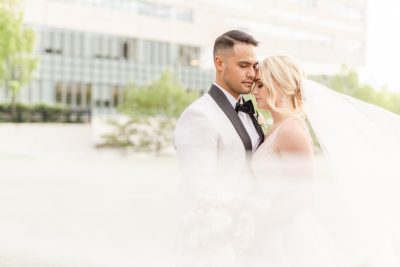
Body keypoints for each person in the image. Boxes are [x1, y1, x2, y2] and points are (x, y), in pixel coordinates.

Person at [173, 30, 264, 194]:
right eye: (243, 65)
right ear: (219, 63)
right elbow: (200, 186)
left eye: (254, 66)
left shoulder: (250, 110)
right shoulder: (198, 116)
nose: (252, 74)